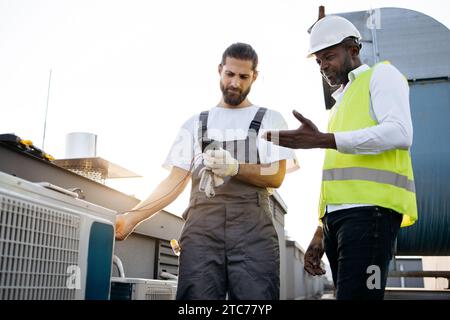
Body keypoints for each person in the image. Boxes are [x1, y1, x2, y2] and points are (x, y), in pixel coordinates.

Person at [115, 42, 298, 300]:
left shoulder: (271, 119)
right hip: (202, 229)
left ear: (254, 76)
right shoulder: (195, 124)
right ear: (220, 70)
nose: (235, 83)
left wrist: (234, 167)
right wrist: (132, 218)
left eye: (244, 77)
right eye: (230, 74)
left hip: (252, 230)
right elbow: (174, 181)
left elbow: (276, 175)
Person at [265, 15, 418, 299]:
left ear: (353, 50)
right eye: (318, 61)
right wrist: (321, 230)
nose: (323, 66)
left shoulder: (382, 76)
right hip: (340, 221)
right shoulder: (340, 103)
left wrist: (324, 139)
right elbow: (342, 172)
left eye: (329, 57)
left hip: (371, 215)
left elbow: (400, 133)